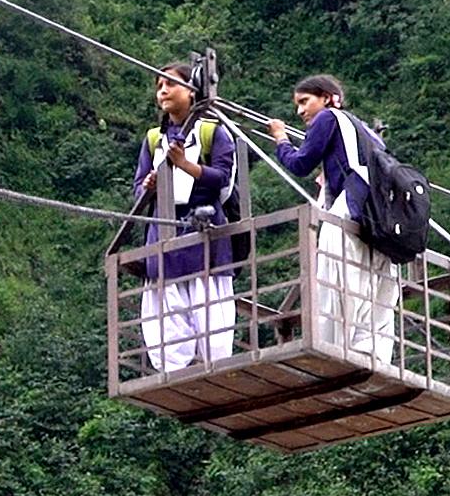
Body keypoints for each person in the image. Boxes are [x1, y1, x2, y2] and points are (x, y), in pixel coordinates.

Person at [267, 74, 398, 365]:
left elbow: (299, 164)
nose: (300, 112)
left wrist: (280, 138)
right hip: (379, 215)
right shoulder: (363, 129)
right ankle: (371, 351)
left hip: (352, 210)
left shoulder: (327, 119)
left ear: (326, 97)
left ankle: (337, 347)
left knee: (335, 275)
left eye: (304, 101)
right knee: (374, 286)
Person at [131, 64, 238, 371]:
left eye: (170, 84)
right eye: (158, 85)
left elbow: (223, 178)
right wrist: (148, 187)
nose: (162, 90)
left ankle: (214, 365)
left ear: (191, 91)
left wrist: (185, 165)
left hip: (204, 232)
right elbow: (138, 188)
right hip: (164, 231)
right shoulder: (154, 139)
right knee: (166, 304)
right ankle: (174, 366)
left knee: (210, 304)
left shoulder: (211, 132)